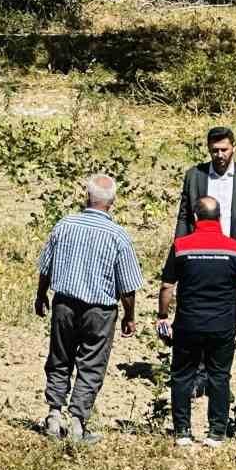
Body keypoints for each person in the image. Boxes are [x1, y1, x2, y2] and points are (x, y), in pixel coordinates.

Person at [35, 174, 144, 444]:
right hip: (99, 311)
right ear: (112, 202)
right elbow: (127, 287)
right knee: (91, 364)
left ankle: (53, 415)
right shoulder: (118, 236)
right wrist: (129, 316)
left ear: (87, 197)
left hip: (64, 304)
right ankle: (76, 422)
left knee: (60, 358)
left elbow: (45, 268)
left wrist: (41, 296)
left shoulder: (65, 225)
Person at [158, 196, 236, 448]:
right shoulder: (235, 248)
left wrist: (163, 316)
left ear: (196, 217)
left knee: (182, 376)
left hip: (188, 324)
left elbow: (167, 286)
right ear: (219, 217)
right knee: (219, 376)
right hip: (221, 325)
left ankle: (182, 431)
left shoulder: (181, 246)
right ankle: (216, 433)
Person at [172, 126, 236, 288]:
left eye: (224, 150)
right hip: (200, 254)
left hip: (233, 253)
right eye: (215, 150)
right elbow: (184, 217)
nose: (220, 155)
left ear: (234, 147)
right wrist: (179, 251)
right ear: (208, 149)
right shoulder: (195, 176)